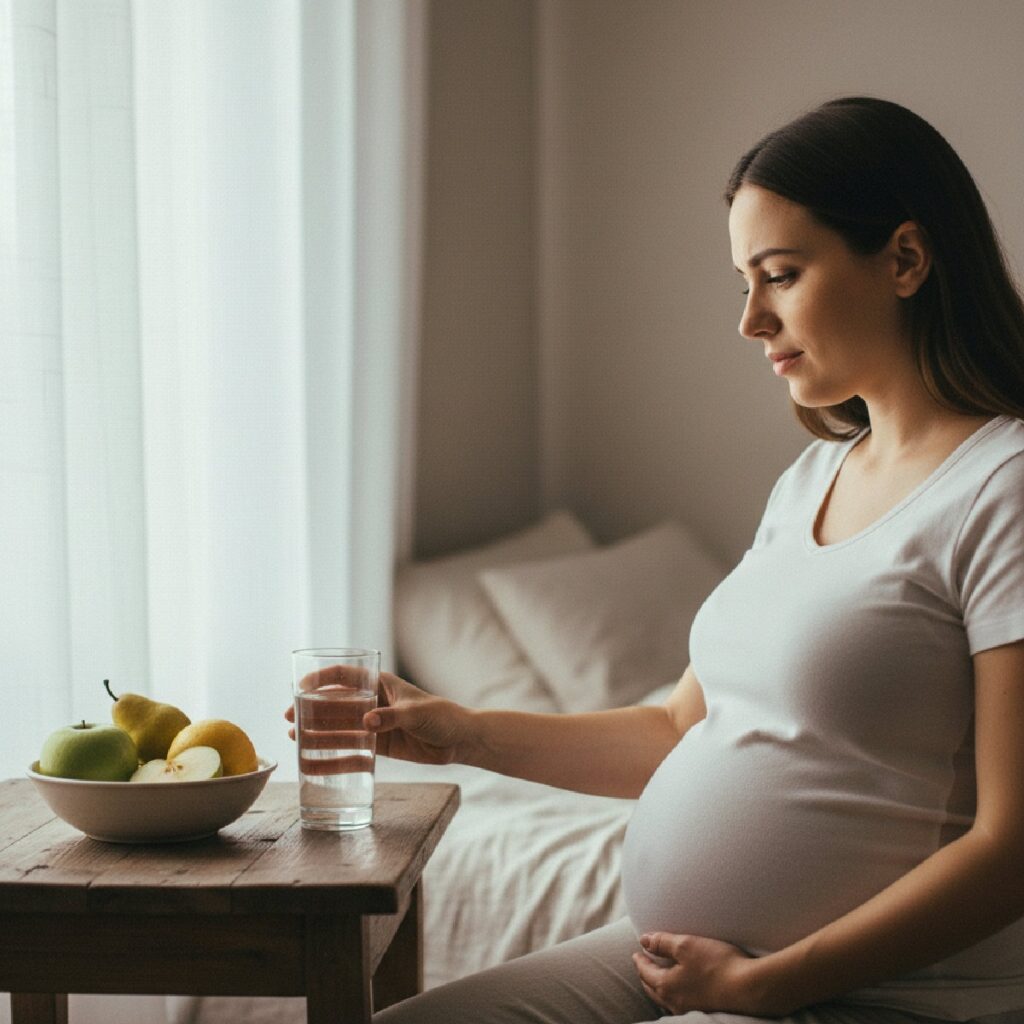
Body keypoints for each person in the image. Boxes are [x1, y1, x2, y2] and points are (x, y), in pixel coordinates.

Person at [287, 97, 1024, 1024]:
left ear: (906, 259)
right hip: (680, 959)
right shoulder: (812, 478)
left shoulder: (1004, 487)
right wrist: (462, 731)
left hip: (878, 994)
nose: (751, 319)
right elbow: (677, 728)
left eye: (781, 275)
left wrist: (770, 983)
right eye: (743, 281)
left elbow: (1013, 845)